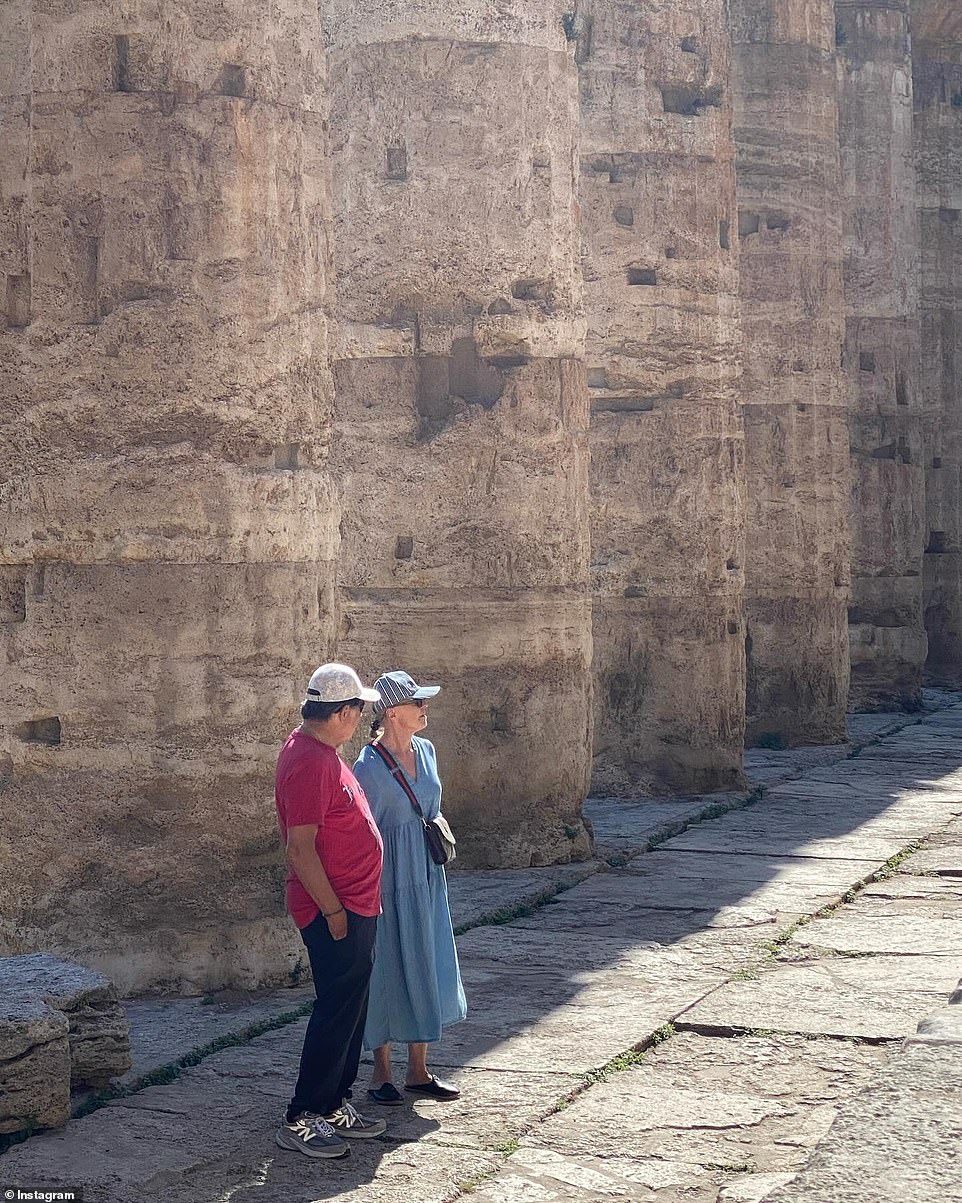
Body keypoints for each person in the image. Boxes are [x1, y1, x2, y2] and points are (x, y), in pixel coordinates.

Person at [274, 663, 388, 1159]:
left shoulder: (324, 753)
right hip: (334, 910)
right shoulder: (308, 760)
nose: (361, 718)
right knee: (335, 1011)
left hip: (356, 904)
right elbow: (301, 849)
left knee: (351, 1010)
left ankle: (336, 1101)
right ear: (342, 712)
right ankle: (304, 1114)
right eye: (359, 710)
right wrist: (334, 913)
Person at [352, 670, 467, 1105]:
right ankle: (381, 1072)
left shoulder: (428, 751)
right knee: (386, 964)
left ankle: (419, 1069)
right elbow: (364, 829)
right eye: (417, 703)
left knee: (427, 956)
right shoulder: (368, 767)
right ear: (393, 712)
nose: (424, 709)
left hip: (426, 873)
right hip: (387, 879)